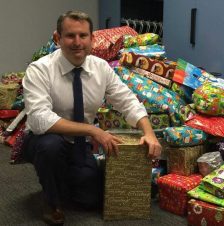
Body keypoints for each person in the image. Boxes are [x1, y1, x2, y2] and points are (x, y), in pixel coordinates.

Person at [22, 10, 162, 225]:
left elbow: (127, 100)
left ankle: (65, 180)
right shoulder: (39, 70)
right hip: (43, 139)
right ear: (57, 39)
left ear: (92, 38)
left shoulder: (101, 68)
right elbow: (40, 119)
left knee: (89, 198)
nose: (77, 42)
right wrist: (93, 130)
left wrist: (149, 133)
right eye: (70, 36)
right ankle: (51, 201)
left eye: (83, 36)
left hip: (80, 144)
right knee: (50, 147)